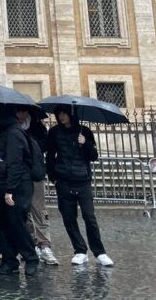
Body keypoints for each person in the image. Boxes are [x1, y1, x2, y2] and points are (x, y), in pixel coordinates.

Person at [46, 108, 113, 267]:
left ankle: (100, 252)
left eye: (64, 113)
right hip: (63, 180)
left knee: (89, 217)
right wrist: (53, 178)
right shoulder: (54, 132)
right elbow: (50, 156)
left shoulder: (85, 131)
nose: (61, 116)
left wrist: (86, 143)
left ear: (71, 114)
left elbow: (94, 156)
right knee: (69, 218)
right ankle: (80, 250)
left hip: (83, 180)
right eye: (59, 114)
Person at [0, 112, 39, 277]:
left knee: (16, 223)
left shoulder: (14, 133)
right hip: (1, 182)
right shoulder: (3, 132)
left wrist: (10, 190)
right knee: (3, 225)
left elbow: (15, 162)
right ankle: (9, 260)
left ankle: (31, 257)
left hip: (16, 186)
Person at [17, 108, 59, 266]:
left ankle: (45, 244)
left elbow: (44, 147)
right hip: (20, 174)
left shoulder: (38, 129)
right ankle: (31, 243)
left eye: (22, 112)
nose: (20, 115)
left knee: (39, 209)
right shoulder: (12, 128)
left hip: (35, 173)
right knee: (24, 210)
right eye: (18, 112)